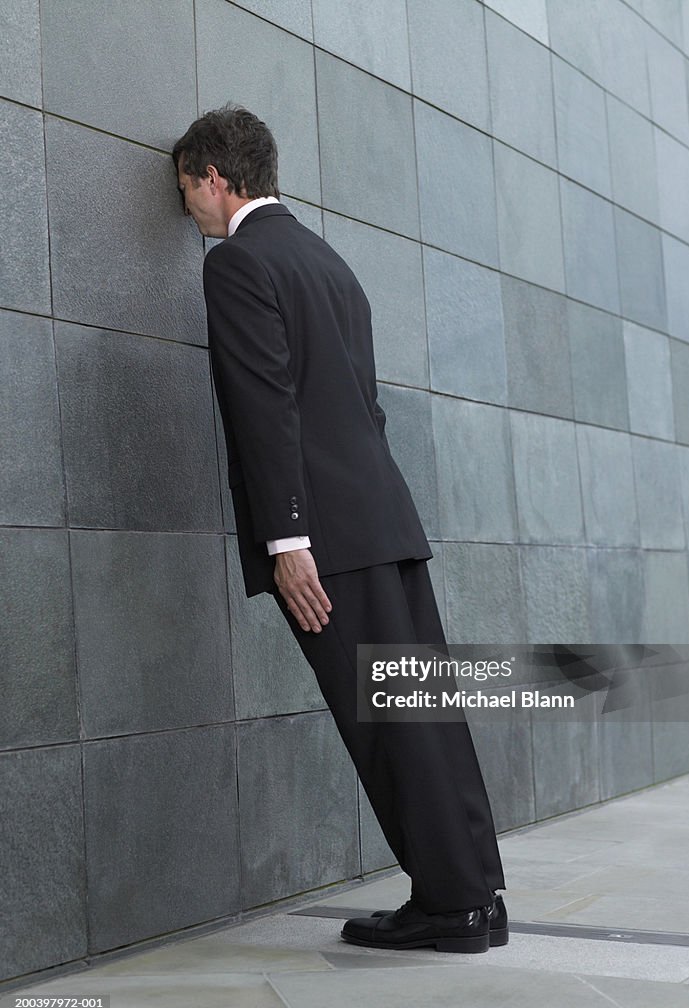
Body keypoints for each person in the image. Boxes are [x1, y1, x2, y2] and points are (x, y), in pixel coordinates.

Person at [172, 104, 507, 953]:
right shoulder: (328, 261)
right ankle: (473, 892)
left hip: (327, 542)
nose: (191, 213)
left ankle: (451, 907)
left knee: (388, 724)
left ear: (217, 177)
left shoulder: (239, 265)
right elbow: (363, 404)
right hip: (383, 522)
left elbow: (264, 407)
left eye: (188, 192)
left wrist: (288, 542)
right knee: (424, 710)